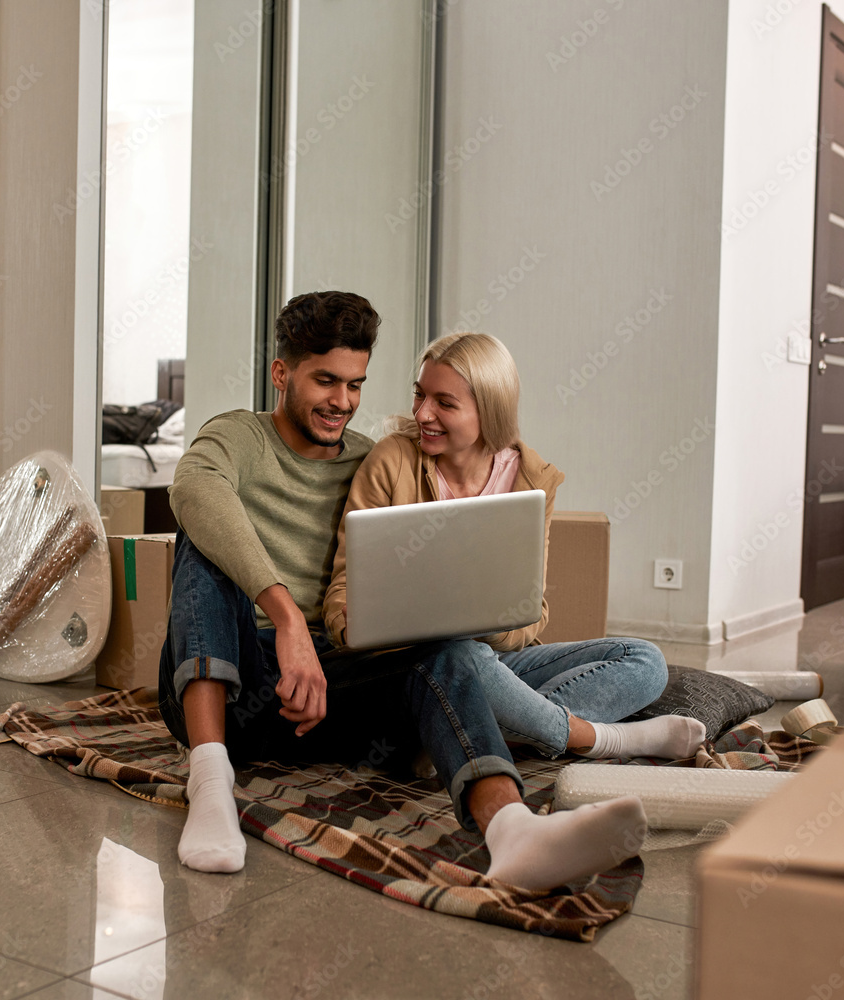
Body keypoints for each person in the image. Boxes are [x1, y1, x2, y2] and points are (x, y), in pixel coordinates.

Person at [159, 293, 647, 892]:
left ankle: (512, 831)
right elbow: (195, 488)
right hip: (232, 675)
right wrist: (285, 617)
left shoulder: (372, 460)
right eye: (326, 381)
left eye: (356, 384)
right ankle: (209, 782)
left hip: (331, 692)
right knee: (200, 543)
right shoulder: (238, 437)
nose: (343, 402)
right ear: (281, 374)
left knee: (451, 655)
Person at [323, 332, 705, 763]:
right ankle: (599, 738)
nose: (424, 413)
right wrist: (348, 622)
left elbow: (530, 613)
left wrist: (478, 618)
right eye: (420, 395)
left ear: (489, 409)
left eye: (445, 403)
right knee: (456, 653)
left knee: (644, 659)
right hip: (418, 666)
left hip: (499, 664)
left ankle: (470, 730)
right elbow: (343, 588)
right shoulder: (391, 461)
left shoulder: (531, 478)